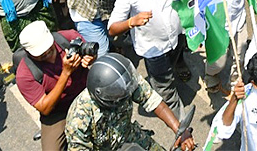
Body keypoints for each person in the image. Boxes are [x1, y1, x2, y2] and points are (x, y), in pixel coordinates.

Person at [108, 0, 187, 113]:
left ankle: (178, 68)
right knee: (165, 90)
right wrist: (131, 22)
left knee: (174, 64)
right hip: (154, 50)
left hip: (178, 38)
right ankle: (181, 128)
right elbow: (112, 28)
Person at [64, 53, 195, 151]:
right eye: (121, 94)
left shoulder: (125, 81)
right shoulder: (79, 119)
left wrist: (179, 131)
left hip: (129, 134)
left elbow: (153, 101)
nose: (127, 94)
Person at [15, 21, 94, 151]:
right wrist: (66, 73)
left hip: (87, 93)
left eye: (48, 48)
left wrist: (90, 58)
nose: (46, 53)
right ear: (28, 52)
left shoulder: (68, 38)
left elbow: (91, 54)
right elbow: (45, 108)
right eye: (40, 53)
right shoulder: (25, 74)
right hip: (58, 111)